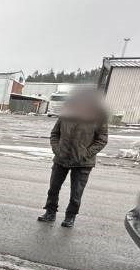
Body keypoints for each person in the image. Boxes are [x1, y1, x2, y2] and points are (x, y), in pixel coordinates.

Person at [38, 89, 109, 228]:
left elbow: (102, 140)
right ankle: (50, 212)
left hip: (83, 163)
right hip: (61, 158)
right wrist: (57, 150)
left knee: (76, 192)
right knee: (53, 188)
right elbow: (55, 134)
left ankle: (70, 216)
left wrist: (86, 154)